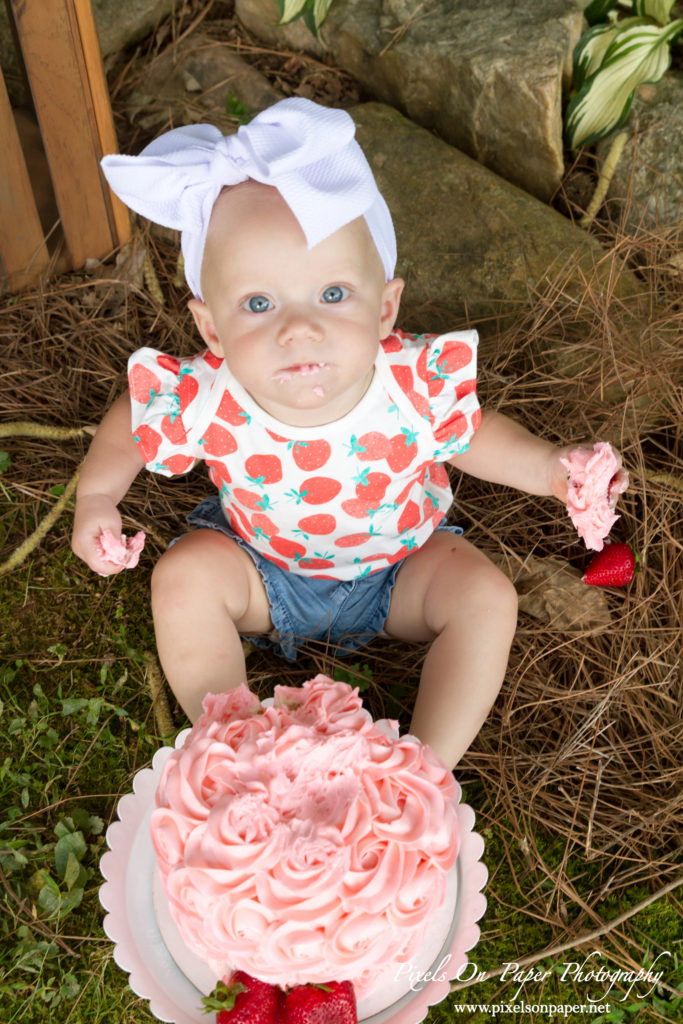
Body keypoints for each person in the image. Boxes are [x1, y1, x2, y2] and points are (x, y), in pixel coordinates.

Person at [71, 98, 626, 769]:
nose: (298, 328)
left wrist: (547, 469)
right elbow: (134, 420)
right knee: (182, 580)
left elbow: (471, 435)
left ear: (384, 306)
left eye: (332, 295)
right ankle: (241, 747)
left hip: (402, 569)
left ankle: (424, 770)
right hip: (261, 571)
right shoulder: (211, 393)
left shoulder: (407, 379)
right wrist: (98, 498)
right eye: (257, 303)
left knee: (485, 598)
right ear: (211, 328)